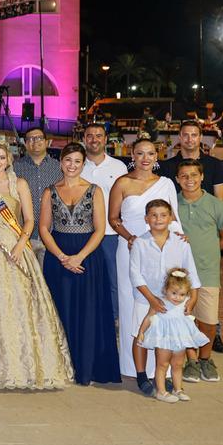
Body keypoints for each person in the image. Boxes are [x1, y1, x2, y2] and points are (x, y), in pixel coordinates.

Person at [0, 137, 74, 390]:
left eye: (2, 157)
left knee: (23, 305)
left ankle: (26, 366)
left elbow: (30, 220)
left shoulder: (19, 183)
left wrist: (22, 243)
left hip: (16, 246)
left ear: (8, 159)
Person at [38, 143, 120, 386]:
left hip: (88, 258)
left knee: (88, 312)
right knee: (60, 310)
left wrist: (79, 256)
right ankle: (62, 366)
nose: (72, 166)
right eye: (67, 160)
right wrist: (62, 257)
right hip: (58, 256)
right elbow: (44, 228)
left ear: (83, 164)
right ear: (61, 162)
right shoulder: (50, 191)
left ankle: (88, 367)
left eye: (77, 161)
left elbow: (100, 229)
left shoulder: (94, 191)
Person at [109, 137, 181, 379]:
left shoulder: (166, 184)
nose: (145, 158)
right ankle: (133, 366)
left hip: (159, 250)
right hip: (129, 248)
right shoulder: (122, 183)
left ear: (156, 156)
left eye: (150, 153)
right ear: (132, 155)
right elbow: (113, 218)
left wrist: (180, 241)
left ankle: (161, 366)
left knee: (161, 300)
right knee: (132, 302)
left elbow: (174, 219)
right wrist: (130, 238)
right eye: (140, 153)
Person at [128, 199, 200, 395]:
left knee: (170, 338)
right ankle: (141, 375)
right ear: (146, 219)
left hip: (174, 301)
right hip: (145, 298)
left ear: (170, 218)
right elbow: (135, 274)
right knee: (140, 334)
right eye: (153, 215)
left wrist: (192, 299)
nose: (158, 219)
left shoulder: (181, 243)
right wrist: (151, 298)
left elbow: (191, 272)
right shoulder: (140, 243)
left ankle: (165, 376)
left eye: (163, 215)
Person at [175, 160, 223, 384]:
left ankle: (205, 359)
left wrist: (209, 250)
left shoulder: (216, 205)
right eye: (183, 176)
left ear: (202, 177)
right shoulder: (173, 205)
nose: (189, 180)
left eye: (193, 175)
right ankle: (191, 360)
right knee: (185, 318)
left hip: (207, 271)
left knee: (208, 320)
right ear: (177, 179)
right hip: (180, 274)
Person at [137, 270, 210, 404]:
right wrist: (141, 332)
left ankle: (178, 389)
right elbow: (149, 318)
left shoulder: (186, 304)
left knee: (177, 365)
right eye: (174, 293)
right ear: (166, 290)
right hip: (164, 339)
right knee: (162, 364)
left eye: (182, 294)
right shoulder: (160, 303)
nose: (177, 298)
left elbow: (188, 322)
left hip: (179, 340)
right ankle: (161, 391)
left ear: (187, 294)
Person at [80, 123, 129, 322]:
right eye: (90, 136)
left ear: (106, 139)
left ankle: (114, 320)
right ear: (84, 139)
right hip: (83, 233)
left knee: (113, 279)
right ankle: (87, 319)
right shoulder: (77, 165)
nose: (94, 139)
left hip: (110, 234)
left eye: (98, 136)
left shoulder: (119, 167)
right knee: (85, 279)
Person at [13, 127, 62, 265]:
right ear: (26, 143)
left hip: (52, 235)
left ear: (47, 142)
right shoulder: (15, 168)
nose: (35, 142)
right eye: (31, 139)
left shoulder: (59, 168)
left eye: (39, 138)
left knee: (48, 282)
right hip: (25, 236)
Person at [158, 120, 223, 201]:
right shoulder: (166, 166)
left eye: (194, 135)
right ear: (179, 137)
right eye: (185, 135)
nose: (189, 139)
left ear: (200, 137)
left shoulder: (216, 165)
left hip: (207, 212)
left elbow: (220, 201)